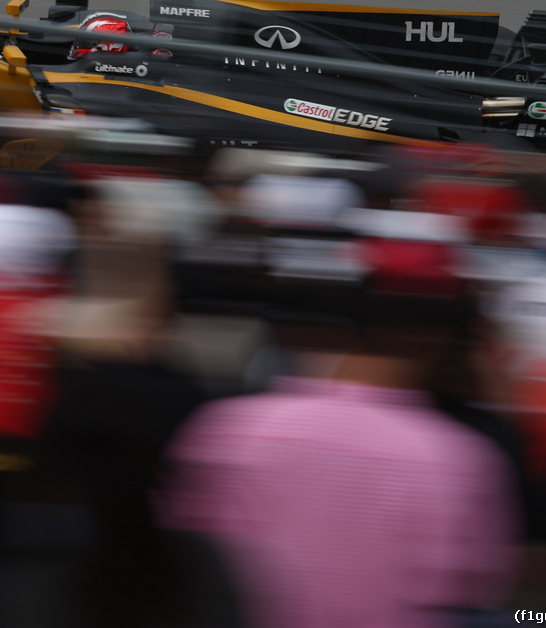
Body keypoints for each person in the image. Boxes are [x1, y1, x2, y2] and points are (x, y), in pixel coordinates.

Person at [160, 248, 518, 628]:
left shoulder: (229, 427)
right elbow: (472, 588)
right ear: (446, 344)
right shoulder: (456, 458)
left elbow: (180, 547)